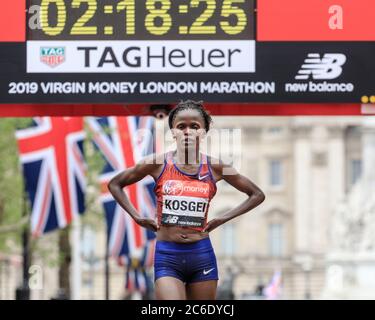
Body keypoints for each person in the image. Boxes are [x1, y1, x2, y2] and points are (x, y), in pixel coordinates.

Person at [108, 100, 265, 300]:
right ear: (173, 131)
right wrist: (137, 217)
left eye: (194, 127)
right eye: (181, 127)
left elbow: (257, 194)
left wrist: (221, 219)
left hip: (201, 254)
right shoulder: (156, 163)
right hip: (167, 254)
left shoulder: (216, 167)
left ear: (204, 132)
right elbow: (115, 184)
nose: (188, 131)